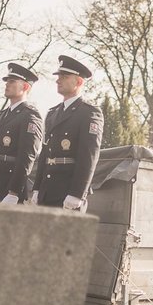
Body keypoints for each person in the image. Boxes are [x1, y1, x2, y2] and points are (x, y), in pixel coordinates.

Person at [32, 55, 103, 210]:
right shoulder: (53, 113)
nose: (58, 80)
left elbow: (89, 156)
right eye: (59, 77)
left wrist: (77, 193)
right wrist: (37, 188)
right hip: (47, 190)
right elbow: (45, 153)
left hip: (68, 192)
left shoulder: (89, 113)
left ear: (78, 82)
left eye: (64, 77)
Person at [0, 63, 43, 204]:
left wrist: (14, 191)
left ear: (25, 87)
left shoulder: (30, 116)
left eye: (12, 81)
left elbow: (27, 156)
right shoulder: (1, 115)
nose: (7, 84)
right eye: (7, 81)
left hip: (7, 188)